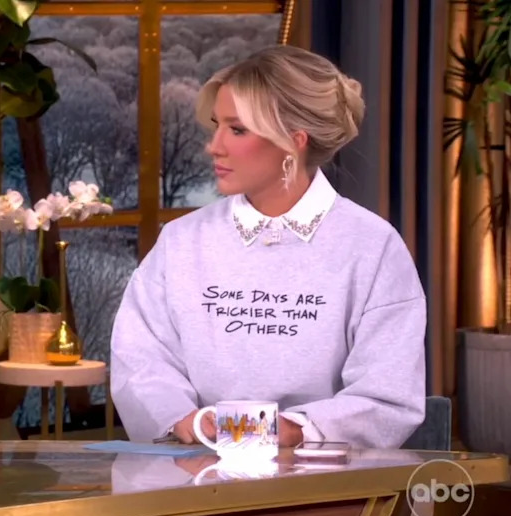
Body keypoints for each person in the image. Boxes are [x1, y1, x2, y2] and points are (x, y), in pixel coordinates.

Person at [110, 45, 426, 449]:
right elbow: (140, 359)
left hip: (326, 485)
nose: (215, 146)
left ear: (294, 142)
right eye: (216, 126)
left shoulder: (373, 248)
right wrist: (186, 421)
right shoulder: (182, 241)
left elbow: (387, 396)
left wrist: (285, 431)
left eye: (237, 129)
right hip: (192, 475)